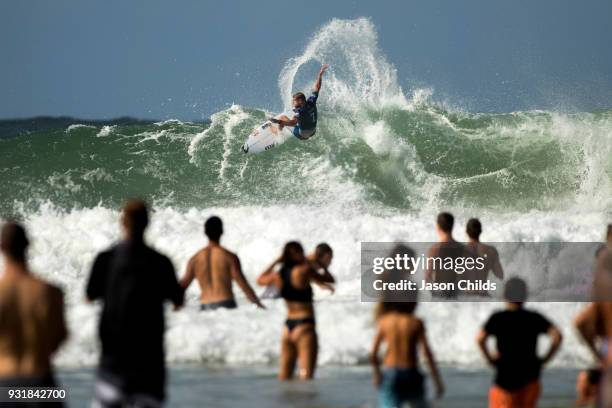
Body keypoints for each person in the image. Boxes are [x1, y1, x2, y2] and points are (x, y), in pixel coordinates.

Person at [86, 200, 184, 407]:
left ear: (122, 223)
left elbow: (90, 296)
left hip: (112, 360)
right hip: (149, 363)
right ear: (148, 224)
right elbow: (178, 301)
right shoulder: (160, 262)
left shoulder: (105, 259)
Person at [0, 222, 68, 407]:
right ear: (28, 244)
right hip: (42, 384)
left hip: (5, 386)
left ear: (2, 248)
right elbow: (60, 336)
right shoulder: (50, 291)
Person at [477, 277, 562, 408]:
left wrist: (489, 359)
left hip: (506, 382)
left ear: (504, 295)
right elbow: (557, 336)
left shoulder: (498, 318)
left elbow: (480, 339)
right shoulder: (534, 317)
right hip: (531, 380)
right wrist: (545, 359)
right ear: (525, 295)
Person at [256, 241, 335, 380]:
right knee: (306, 377)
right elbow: (329, 278)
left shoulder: (278, 274)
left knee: (284, 378)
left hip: (287, 328)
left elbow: (260, 279)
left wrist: (276, 261)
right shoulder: (304, 270)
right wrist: (321, 265)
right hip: (304, 326)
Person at [180, 216, 264, 310]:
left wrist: (176, 308)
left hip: (205, 307)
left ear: (205, 232)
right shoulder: (229, 257)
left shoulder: (195, 259)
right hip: (226, 305)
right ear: (222, 231)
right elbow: (242, 284)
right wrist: (258, 303)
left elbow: (182, 286)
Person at [371, 301, 444, 408]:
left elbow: (373, 354)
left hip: (391, 373)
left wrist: (377, 374)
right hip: (412, 373)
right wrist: (437, 380)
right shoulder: (416, 322)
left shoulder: (385, 321)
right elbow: (427, 353)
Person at [270, 64, 328, 140]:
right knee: (298, 118)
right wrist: (320, 74)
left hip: (303, 136)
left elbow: (293, 123)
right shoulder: (311, 101)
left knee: (283, 117)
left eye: (294, 103)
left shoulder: (300, 112)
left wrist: (279, 121)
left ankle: (278, 134)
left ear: (301, 101)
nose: (293, 104)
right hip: (313, 131)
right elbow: (317, 87)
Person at [425, 212, 466, 298]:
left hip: (440, 293)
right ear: (452, 226)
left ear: (438, 227)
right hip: (457, 292)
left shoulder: (435, 249)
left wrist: (433, 293)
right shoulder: (462, 248)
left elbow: (428, 277)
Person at [464, 218, 504, 296]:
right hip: (483, 296)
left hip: (468, 296)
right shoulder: (491, 251)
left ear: (466, 232)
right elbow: (500, 275)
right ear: (480, 231)